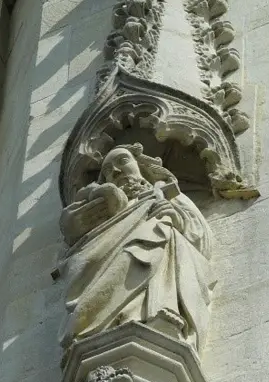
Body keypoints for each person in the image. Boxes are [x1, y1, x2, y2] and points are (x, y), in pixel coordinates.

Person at [58, 144, 213, 352]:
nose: (115, 171)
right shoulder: (102, 208)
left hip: (159, 260)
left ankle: (160, 312)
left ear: (140, 165)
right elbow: (82, 249)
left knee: (161, 232)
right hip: (107, 261)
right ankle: (103, 325)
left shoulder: (166, 193)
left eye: (122, 161)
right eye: (107, 171)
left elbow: (201, 238)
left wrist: (178, 218)